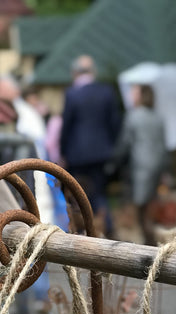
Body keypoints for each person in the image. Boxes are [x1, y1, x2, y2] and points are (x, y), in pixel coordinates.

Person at [60, 55, 120, 236]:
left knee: (79, 195)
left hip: (77, 154)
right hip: (102, 153)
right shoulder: (107, 91)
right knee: (100, 193)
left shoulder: (72, 94)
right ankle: (107, 231)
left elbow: (66, 127)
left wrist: (63, 152)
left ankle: (83, 234)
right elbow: (115, 124)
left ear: (75, 72)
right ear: (93, 71)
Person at [109, 84, 167, 246]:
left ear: (141, 96)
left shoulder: (133, 116)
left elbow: (125, 143)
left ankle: (146, 246)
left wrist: (114, 162)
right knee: (148, 207)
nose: (131, 96)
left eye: (134, 93)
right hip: (156, 167)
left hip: (140, 168)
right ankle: (150, 243)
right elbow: (163, 146)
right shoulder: (158, 117)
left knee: (140, 209)